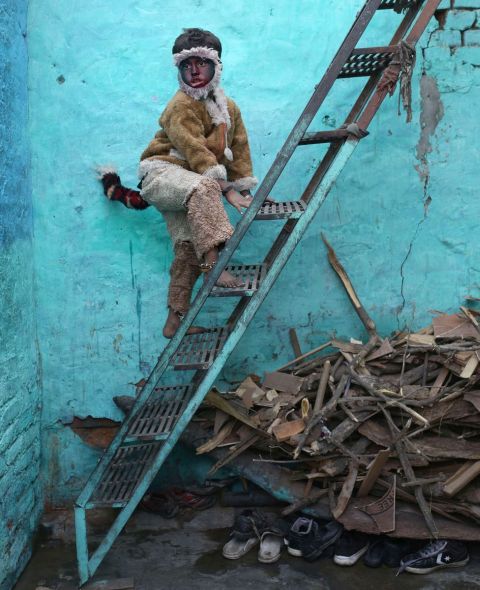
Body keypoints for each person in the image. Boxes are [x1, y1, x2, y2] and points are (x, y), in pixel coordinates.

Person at [99, 28, 259, 338]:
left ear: (217, 66)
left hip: (187, 182)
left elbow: (238, 151)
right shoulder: (180, 106)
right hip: (161, 174)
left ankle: (175, 321)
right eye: (187, 65)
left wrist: (244, 189)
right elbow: (195, 152)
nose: (195, 71)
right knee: (205, 187)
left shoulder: (230, 108)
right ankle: (214, 266)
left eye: (202, 63)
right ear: (179, 70)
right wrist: (225, 189)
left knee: (186, 249)